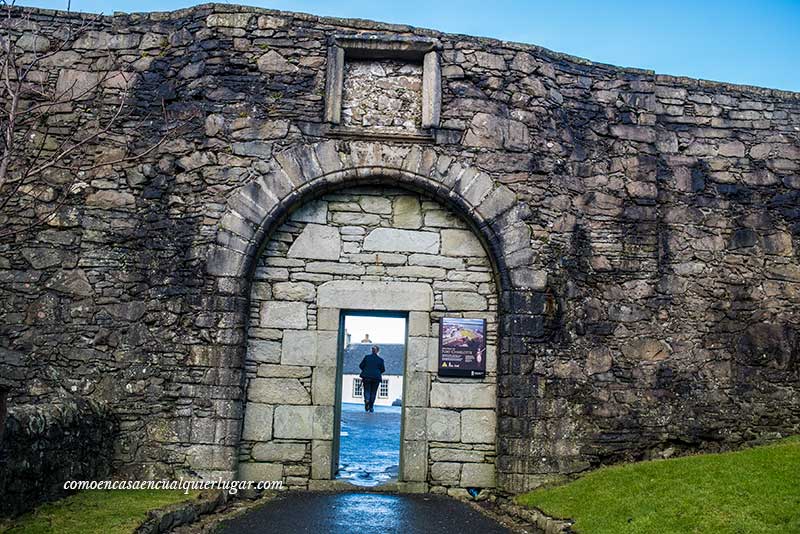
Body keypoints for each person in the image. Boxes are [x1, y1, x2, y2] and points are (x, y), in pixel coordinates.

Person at [359, 345, 385, 413]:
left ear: (372, 350)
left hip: (366, 376)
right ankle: (371, 407)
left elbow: (361, 366)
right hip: (376, 377)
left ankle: (367, 400)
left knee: (367, 390)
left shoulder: (367, 357)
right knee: (373, 392)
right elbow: (383, 369)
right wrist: (377, 372)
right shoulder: (380, 360)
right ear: (378, 351)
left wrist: (366, 370)